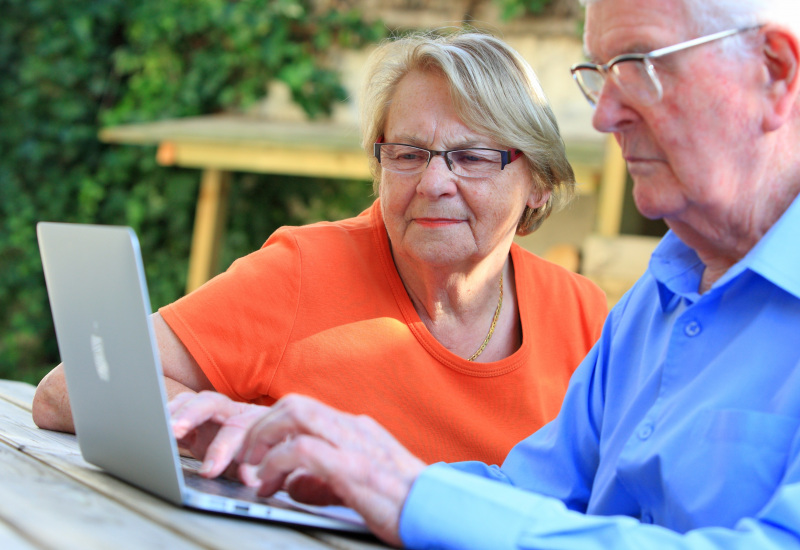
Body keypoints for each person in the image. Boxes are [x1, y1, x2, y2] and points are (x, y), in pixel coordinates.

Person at [168, 0, 800, 547]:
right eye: (600, 75)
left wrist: (403, 487)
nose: (604, 116)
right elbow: (536, 493)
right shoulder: (652, 305)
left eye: (639, 66)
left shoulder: (588, 308)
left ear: (776, 72)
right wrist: (337, 464)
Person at [32, 31, 608, 467]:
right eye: (407, 153)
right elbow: (74, 387)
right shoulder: (306, 270)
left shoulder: (585, 317)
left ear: (539, 180)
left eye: (475, 156)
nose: (433, 183)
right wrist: (248, 434)